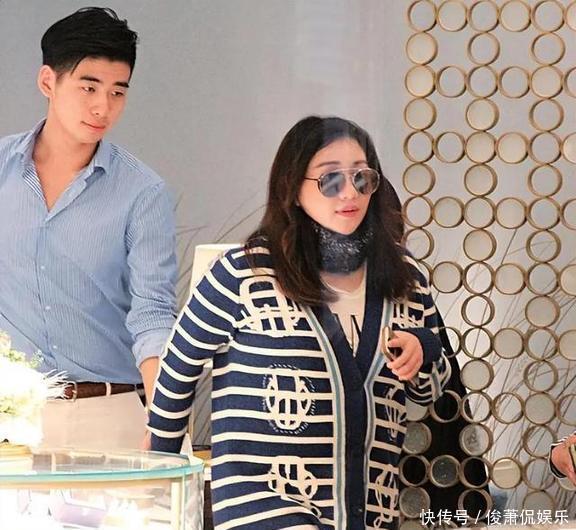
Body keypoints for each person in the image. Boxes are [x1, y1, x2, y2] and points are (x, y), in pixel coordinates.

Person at [147, 116, 451, 529]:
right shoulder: (245, 273)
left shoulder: (404, 277)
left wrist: (422, 349)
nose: (350, 192)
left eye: (362, 178)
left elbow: (430, 391)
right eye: (330, 180)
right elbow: (178, 369)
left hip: (369, 509)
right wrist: (159, 475)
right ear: (293, 188)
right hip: (263, 506)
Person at [0, 7, 177, 450]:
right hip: (13, 420)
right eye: (89, 87)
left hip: (111, 415)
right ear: (48, 82)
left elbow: (153, 312)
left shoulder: (143, 192)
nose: (103, 107)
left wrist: (164, 421)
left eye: (118, 92)